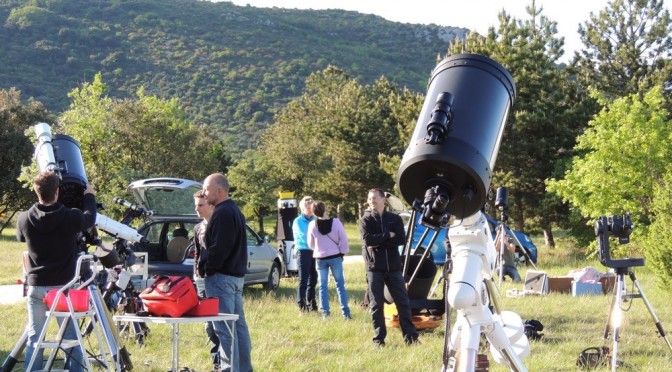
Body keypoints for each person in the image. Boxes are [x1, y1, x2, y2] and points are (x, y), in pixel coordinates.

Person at [16, 171, 96, 372]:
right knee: (70, 338)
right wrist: (89, 196)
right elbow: (90, 219)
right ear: (57, 191)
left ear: (37, 192)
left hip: (36, 287)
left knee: (35, 337)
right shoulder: (71, 217)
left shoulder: (24, 218)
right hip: (63, 290)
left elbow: (20, 238)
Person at [202, 173, 253, 372]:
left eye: (207, 189)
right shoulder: (234, 210)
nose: (204, 193)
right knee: (238, 327)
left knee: (224, 329)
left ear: (219, 191)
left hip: (221, 277)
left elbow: (219, 248)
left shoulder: (222, 212)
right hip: (234, 277)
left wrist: (209, 268)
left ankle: (230, 369)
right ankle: (244, 368)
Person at [359, 188, 418, 347]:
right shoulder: (365, 220)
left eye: (375, 198)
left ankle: (411, 338)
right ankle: (379, 340)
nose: (371, 201)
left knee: (403, 303)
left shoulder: (395, 219)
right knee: (376, 305)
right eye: (370, 199)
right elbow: (368, 240)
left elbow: (400, 239)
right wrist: (387, 235)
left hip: (393, 268)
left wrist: (380, 241)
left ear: (383, 199)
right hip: (374, 268)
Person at [307, 201, 351, 320]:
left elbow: (310, 244)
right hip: (335, 256)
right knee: (340, 285)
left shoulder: (312, 225)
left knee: (323, 286)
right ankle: (345, 313)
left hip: (320, 258)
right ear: (325, 209)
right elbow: (344, 240)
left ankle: (325, 314)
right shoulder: (336, 222)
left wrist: (318, 249)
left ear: (314, 212)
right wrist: (342, 252)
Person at [192, 190, 220, 371]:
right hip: (201, 279)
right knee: (208, 325)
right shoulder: (197, 228)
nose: (197, 209)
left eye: (200, 205)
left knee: (219, 323)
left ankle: (224, 362)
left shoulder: (219, 225)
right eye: (195, 206)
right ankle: (216, 362)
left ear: (210, 204)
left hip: (218, 278)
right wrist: (196, 275)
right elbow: (197, 255)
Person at [292, 195, 318, 312]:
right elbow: (304, 235)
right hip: (303, 251)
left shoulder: (316, 219)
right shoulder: (297, 221)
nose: (309, 209)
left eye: (311, 206)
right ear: (302, 208)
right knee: (303, 279)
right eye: (307, 207)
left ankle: (311, 303)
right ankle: (301, 306)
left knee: (313, 278)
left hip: (315, 251)